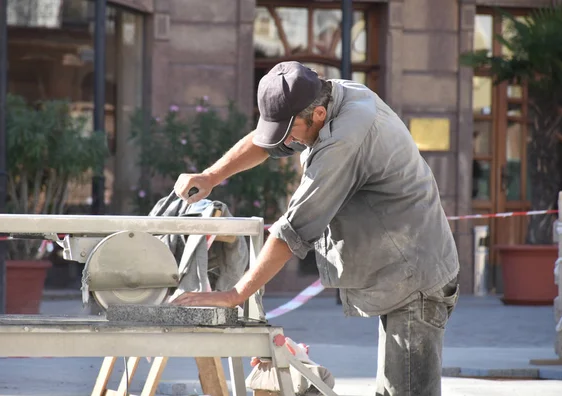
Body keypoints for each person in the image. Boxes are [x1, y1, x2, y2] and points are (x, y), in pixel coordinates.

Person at [172, 61, 460, 396]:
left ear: (319, 115)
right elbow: (266, 140)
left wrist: (234, 295)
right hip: (399, 270)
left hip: (416, 276)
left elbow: (293, 230)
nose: (288, 142)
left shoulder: (344, 139)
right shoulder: (324, 95)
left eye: (290, 133)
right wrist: (211, 176)